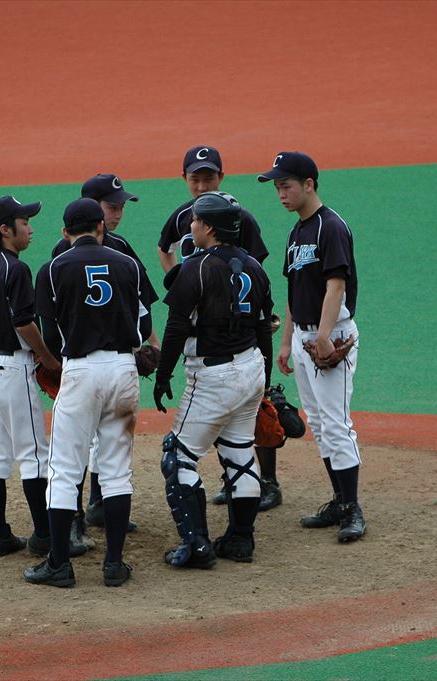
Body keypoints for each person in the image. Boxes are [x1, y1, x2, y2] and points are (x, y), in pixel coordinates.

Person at [24, 198, 151, 587]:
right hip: (123, 371)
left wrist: (58, 362)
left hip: (79, 370)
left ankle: (59, 564)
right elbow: (145, 328)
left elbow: (49, 334)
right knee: (116, 470)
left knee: (64, 469)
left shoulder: (52, 269)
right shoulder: (128, 264)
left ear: (65, 232)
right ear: (101, 227)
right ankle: (114, 565)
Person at [155, 146, 283, 512]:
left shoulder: (239, 218)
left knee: (195, 446)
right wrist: (181, 282)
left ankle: (268, 482)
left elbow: (252, 273)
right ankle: (239, 505)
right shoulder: (183, 217)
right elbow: (164, 249)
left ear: (221, 177)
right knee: (236, 431)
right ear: (184, 179)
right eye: (195, 178)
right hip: (224, 339)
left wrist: (241, 310)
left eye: (208, 178)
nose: (201, 185)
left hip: (234, 334)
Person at [0, 195, 86, 560]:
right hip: (12, 371)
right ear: (5, 230)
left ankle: (0, 535)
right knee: (34, 455)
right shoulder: (15, 269)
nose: (31, 229)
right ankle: (45, 537)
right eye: (25, 222)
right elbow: (23, 322)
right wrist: (47, 357)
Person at [257, 151, 367, 543]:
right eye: (277, 187)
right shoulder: (297, 232)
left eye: (286, 185)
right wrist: (287, 342)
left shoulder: (330, 227)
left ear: (309, 184)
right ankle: (339, 501)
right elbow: (294, 291)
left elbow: (336, 285)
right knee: (320, 424)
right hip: (306, 340)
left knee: (336, 423)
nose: (280, 194)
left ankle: (352, 508)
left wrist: (322, 336)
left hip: (331, 337)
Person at [51, 173, 156, 544]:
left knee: (93, 445)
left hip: (106, 362)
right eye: (112, 207)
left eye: (121, 207)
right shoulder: (62, 253)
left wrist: (152, 347)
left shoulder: (121, 247)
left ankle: (96, 505)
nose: (118, 214)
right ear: (93, 210)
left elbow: (144, 303)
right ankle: (76, 519)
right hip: (90, 363)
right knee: (86, 446)